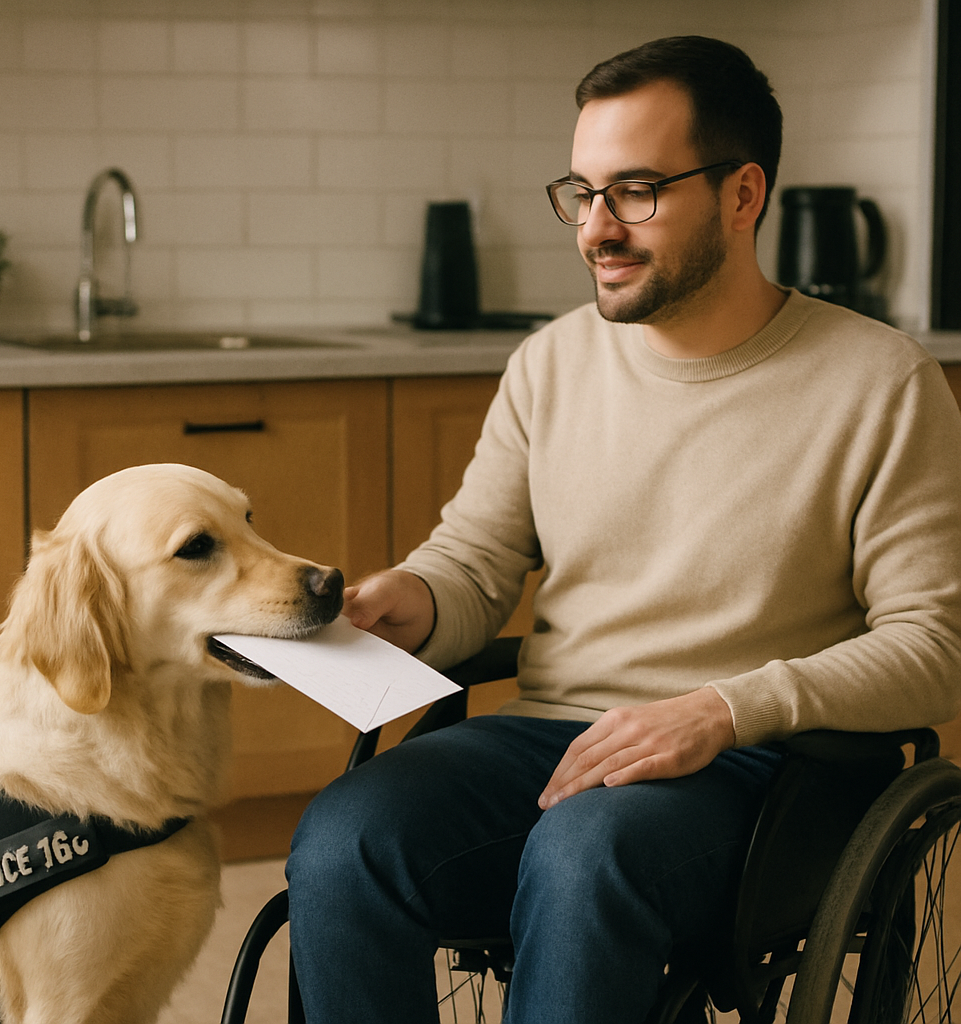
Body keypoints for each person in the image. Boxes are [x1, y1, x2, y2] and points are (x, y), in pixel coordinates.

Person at [285, 35, 961, 1023]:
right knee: (345, 837)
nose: (596, 229)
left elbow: (935, 646)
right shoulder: (549, 363)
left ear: (742, 194)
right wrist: (414, 600)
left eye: (635, 192)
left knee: (585, 853)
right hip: (552, 738)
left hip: (764, 768)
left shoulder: (881, 381)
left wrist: (723, 708)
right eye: (582, 192)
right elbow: (475, 562)